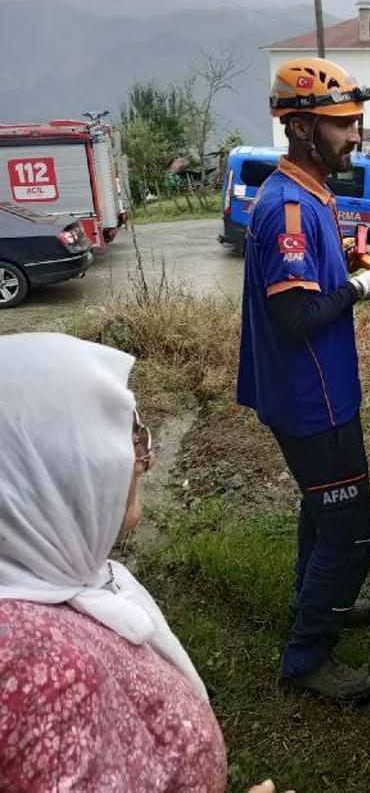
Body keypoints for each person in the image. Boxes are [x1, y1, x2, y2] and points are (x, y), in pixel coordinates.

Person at [0, 333, 290, 793]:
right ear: (44, 464)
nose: (142, 462)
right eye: (127, 438)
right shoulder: (37, 671)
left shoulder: (55, 578)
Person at [237, 56, 370, 705]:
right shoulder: (290, 211)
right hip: (312, 402)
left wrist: (360, 263)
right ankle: (307, 654)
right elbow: (297, 314)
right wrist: (358, 287)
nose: (355, 136)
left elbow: (312, 283)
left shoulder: (312, 193)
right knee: (352, 533)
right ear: (302, 129)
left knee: (320, 509)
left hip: (318, 392)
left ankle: (315, 600)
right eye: (344, 125)